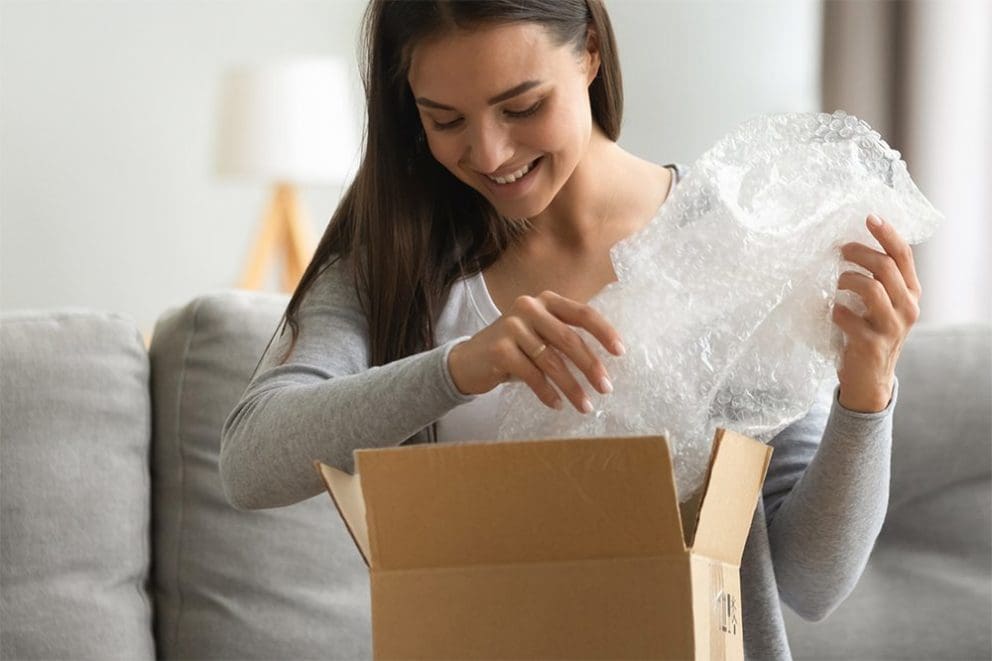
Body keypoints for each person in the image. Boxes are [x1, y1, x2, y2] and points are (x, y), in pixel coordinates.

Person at [220, 1, 922, 658]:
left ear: (588, 51)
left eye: (521, 106)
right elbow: (251, 461)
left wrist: (867, 392)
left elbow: (809, 580)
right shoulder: (397, 259)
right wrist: (459, 367)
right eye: (446, 121)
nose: (490, 153)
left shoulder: (731, 246)